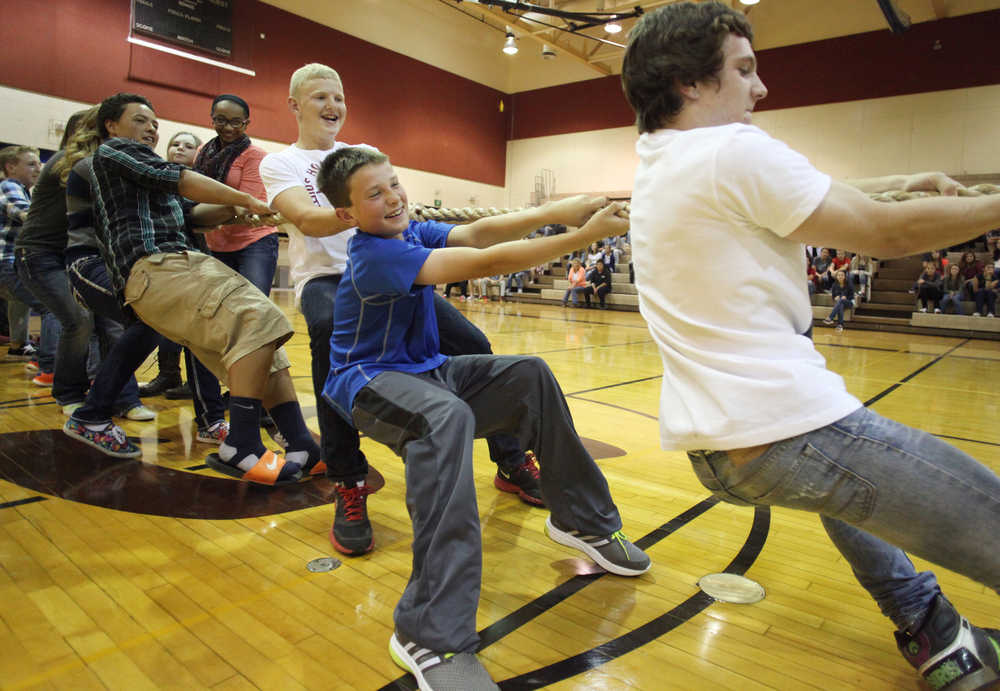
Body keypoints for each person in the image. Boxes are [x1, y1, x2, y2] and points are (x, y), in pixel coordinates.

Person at [622, 4, 1000, 690]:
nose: (760, 87)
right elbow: (883, 234)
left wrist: (896, 182)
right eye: (744, 70)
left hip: (723, 449)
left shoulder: (657, 163)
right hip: (787, 428)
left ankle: (935, 632)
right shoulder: (731, 150)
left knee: (847, 497)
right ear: (690, 83)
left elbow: (790, 195)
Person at [316, 146, 649, 690]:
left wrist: (558, 209)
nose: (393, 197)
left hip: (430, 371)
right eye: (374, 194)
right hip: (367, 382)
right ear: (347, 215)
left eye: (394, 183)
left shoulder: (408, 233)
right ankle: (429, 635)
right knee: (443, 419)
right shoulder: (374, 256)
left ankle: (582, 522)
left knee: (529, 374)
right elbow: (486, 263)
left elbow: (479, 233)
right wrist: (583, 236)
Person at [260, 64, 544, 556]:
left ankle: (511, 459)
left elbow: (395, 211)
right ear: (294, 106)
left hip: (391, 271)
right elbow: (305, 217)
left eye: (339, 97)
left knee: (473, 344)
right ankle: (349, 483)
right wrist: (361, 205)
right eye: (320, 97)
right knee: (329, 342)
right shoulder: (279, 163)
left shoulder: (362, 155)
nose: (332, 106)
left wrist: (376, 199)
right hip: (329, 280)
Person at [62, 92, 321, 486]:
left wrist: (242, 210)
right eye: (139, 120)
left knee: (264, 343)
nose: (151, 128)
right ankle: (242, 445)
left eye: (153, 122)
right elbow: (182, 179)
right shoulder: (112, 153)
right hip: (156, 266)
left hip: (177, 265)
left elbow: (195, 215)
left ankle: (302, 443)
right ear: (111, 126)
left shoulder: (147, 175)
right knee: (260, 317)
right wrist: (243, 196)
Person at [137, 130, 205, 397]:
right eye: (175, 144)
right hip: (162, 256)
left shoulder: (201, 183)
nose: (179, 149)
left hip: (195, 255)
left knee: (194, 323)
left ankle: (195, 381)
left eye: (187, 146)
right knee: (166, 320)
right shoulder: (155, 177)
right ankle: (167, 374)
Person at [0, 145, 56, 375]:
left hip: (8, 262)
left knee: (18, 302)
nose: (38, 168)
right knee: (51, 306)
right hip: (6, 262)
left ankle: (18, 346)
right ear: (11, 167)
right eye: (31, 164)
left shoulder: (21, 189)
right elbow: (25, 214)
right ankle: (47, 363)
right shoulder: (9, 185)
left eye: (38, 164)